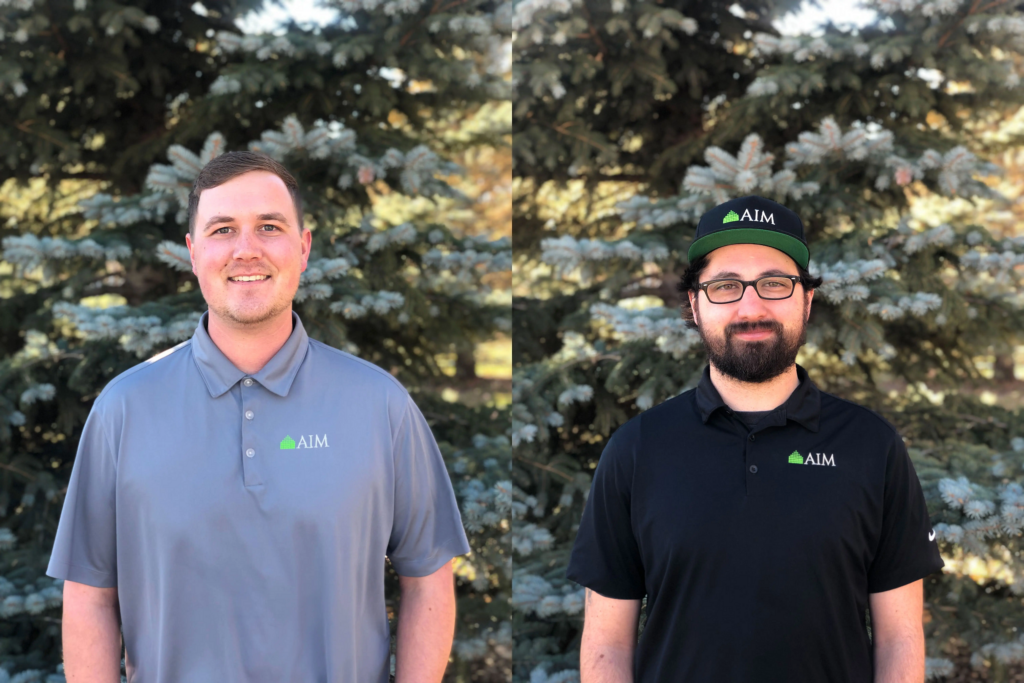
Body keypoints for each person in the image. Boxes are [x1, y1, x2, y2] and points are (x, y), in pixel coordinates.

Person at [47, 151, 471, 683]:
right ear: (193, 253)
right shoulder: (123, 408)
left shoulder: (380, 404)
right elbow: (88, 596)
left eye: (269, 227)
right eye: (223, 229)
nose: (246, 250)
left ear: (303, 247)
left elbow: (429, 578)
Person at [566, 195, 944, 683]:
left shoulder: (872, 446)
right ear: (694, 305)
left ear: (806, 300)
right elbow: (607, 643)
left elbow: (900, 637)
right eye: (725, 286)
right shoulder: (637, 449)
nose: (751, 306)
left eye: (774, 283)